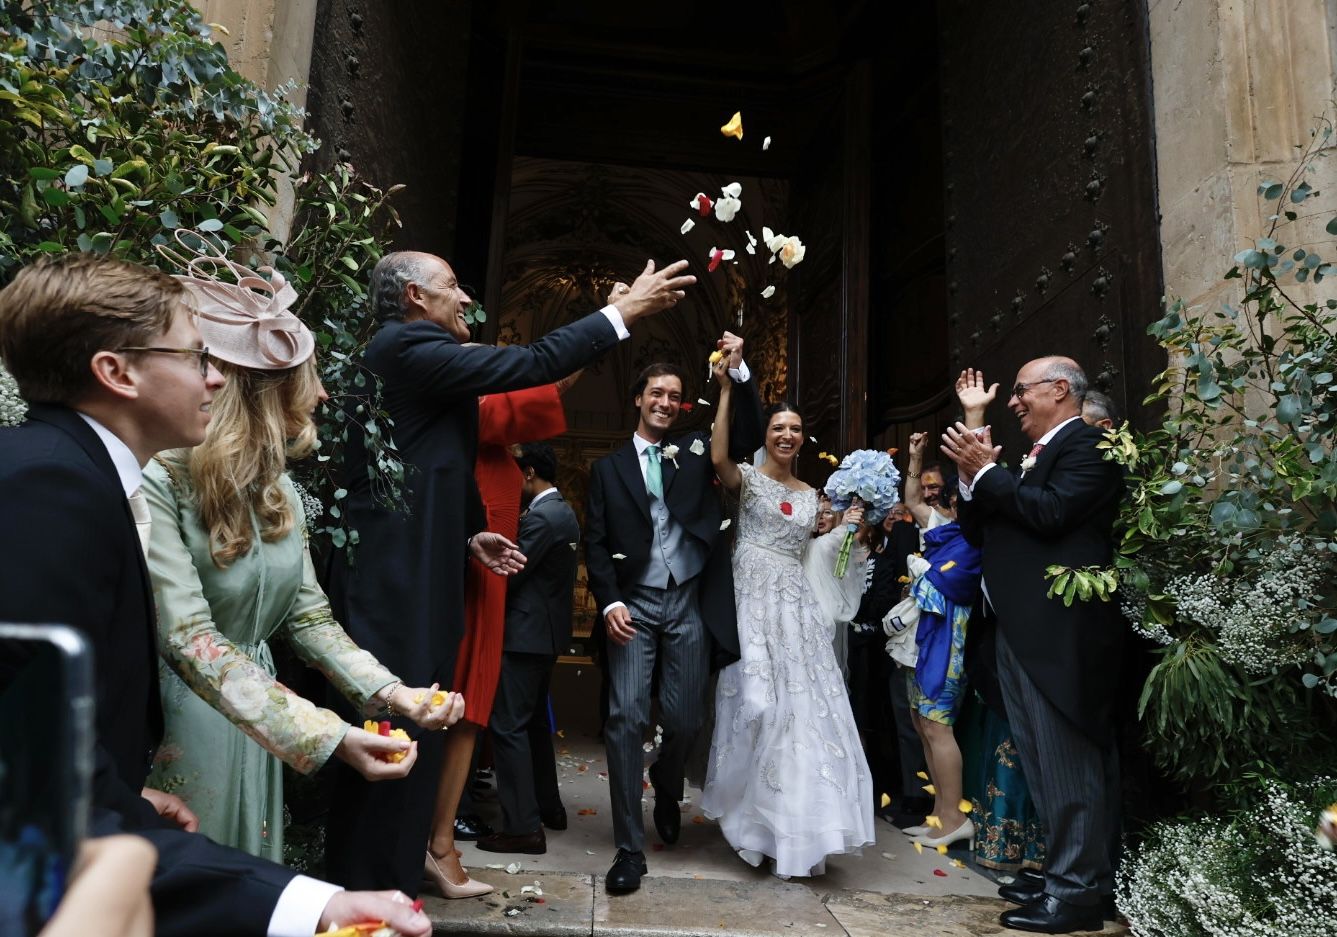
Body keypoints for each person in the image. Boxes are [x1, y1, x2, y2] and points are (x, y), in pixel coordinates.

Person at [0, 252, 430, 937]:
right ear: (116, 371)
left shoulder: (80, 475)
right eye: (197, 355)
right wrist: (313, 900)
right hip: (184, 735)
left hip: (201, 758)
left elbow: (306, 613)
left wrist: (389, 695)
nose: (214, 376)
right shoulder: (55, 487)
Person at [324, 252, 694, 894]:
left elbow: (431, 463)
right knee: (392, 729)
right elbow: (529, 365)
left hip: (427, 574)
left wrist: (472, 534)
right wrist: (621, 314)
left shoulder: (425, 363)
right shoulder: (406, 345)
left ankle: (398, 880)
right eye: (452, 285)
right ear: (415, 297)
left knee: (425, 724)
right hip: (392, 584)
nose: (465, 296)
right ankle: (365, 892)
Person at [141, 242, 461, 862]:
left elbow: (309, 617)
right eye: (306, 384)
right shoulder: (161, 480)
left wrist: (396, 696)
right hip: (184, 719)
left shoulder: (278, 488)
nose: (319, 399)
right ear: (262, 395)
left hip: (262, 720)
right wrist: (333, 736)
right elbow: (189, 640)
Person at [941, 356, 1124, 933]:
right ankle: (1059, 873)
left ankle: (1077, 896)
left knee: (1068, 765)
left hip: (1058, 636)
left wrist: (991, 476)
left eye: (1021, 391)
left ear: (1060, 389)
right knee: (1043, 766)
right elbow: (982, 529)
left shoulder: (1090, 447)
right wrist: (976, 479)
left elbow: (1050, 513)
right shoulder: (1034, 456)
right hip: (1018, 631)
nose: (1013, 401)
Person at [584, 338, 763, 893]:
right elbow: (595, 541)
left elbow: (748, 439)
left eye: (676, 396)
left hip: (688, 598)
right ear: (638, 399)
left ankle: (666, 779)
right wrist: (610, 600)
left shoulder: (695, 451)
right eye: (656, 393)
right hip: (633, 605)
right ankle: (628, 850)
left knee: (686, 720)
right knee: (626, 719)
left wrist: (738, 376)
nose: (665, 401)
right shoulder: (608, 470)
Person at [700, 361, 876, 879]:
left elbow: (814, 553)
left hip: (793, 611)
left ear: (803, 439)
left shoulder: (809, 495)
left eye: (795, 429)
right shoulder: (748, 479)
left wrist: (848, 531)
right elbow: (717, 455)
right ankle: (749, 821)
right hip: (749, 601)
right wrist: (729, 389)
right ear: (768, 436)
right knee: (754, 704)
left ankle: (792, 829)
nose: (787, 434)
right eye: (779, 427)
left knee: (798, 713)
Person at [425, 382, 570, 895]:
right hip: (472, 583)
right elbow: (543, 387)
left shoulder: (492, 441)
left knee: (474, 713)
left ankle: (440, 841)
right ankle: (435, 842)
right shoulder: (474, 412)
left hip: (491, 593)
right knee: (457, 710)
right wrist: (615, 320)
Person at [475, 442, 579, 856]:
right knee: (532, 724)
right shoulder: (562, 511)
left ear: (529, 473)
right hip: (543, 636)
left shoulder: (543, 517)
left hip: (524, 637)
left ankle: (522, 827)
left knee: (508, 725)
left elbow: (511, 572)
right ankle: (548, 808)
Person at [901, 432, 979, 850]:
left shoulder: (970, 536)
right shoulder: (939, 530)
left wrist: (921, 572)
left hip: (951, 639)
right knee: (922, 723)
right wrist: (913, 457)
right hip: (927, 637)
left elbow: (954, 584)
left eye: (940, 493)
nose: (930, 500)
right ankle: (941, 816)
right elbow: (912, 498)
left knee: (937, 724)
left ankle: (954, 818)